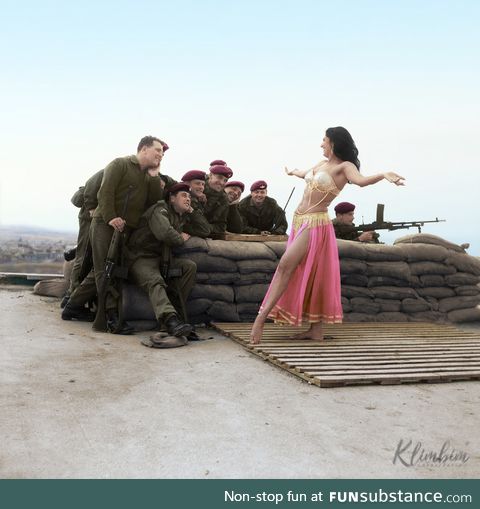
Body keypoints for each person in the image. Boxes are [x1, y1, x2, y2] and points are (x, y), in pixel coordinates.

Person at [250, 126, 405, 344]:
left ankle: (260, 320)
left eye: (324, 140)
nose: (321, 144)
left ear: (333, 142)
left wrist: (383, 175)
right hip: (299, 221)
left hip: (315, 224)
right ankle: (315, 331)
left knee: (285, 266)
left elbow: (360, 181)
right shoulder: (322, 164)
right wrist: (294, 172)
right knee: (312, 273)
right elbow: (307, 175)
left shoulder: (345, 166)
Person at [62, 136, 166, 332]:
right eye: (157, 150)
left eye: (162, 153)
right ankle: (111, 317)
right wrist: (111, 217)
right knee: (105, 271)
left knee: (105, 271)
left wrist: (154, 177)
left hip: (124, 231)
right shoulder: (120, 164)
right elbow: (105, 192)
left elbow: (152, 202)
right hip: (105, 224)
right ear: (144, 149)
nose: (161, 155)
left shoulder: (148, 176)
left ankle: (72, 307)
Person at [125, 182, 196, 347]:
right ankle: (170, 320)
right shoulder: (160, 210)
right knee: (155, 281)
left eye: (190, 197)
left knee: (189, 267)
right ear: (172, 199)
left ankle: (177, 315)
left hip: (162, 258)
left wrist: (193, 212)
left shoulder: (181, 215)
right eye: (184, 196)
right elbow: (165, 233)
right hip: (140, 257)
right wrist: (179, 238)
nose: (188, 199)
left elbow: (204, 230)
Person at [203, 163, 233, 233]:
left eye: (225, 180)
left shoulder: (223, 199)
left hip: (205, 233)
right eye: (219, 177)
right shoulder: (197, 188)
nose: (222, 182)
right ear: (210, 175)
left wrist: (205, 228)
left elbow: (221, 226)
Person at [180, 170, 212, 238]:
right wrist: (192, 211)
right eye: (197, 183)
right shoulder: (182, 199)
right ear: (187, 184)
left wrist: (202, 204)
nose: (201, 187)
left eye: (203, 184)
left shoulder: (196, 200)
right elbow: (205, 230)